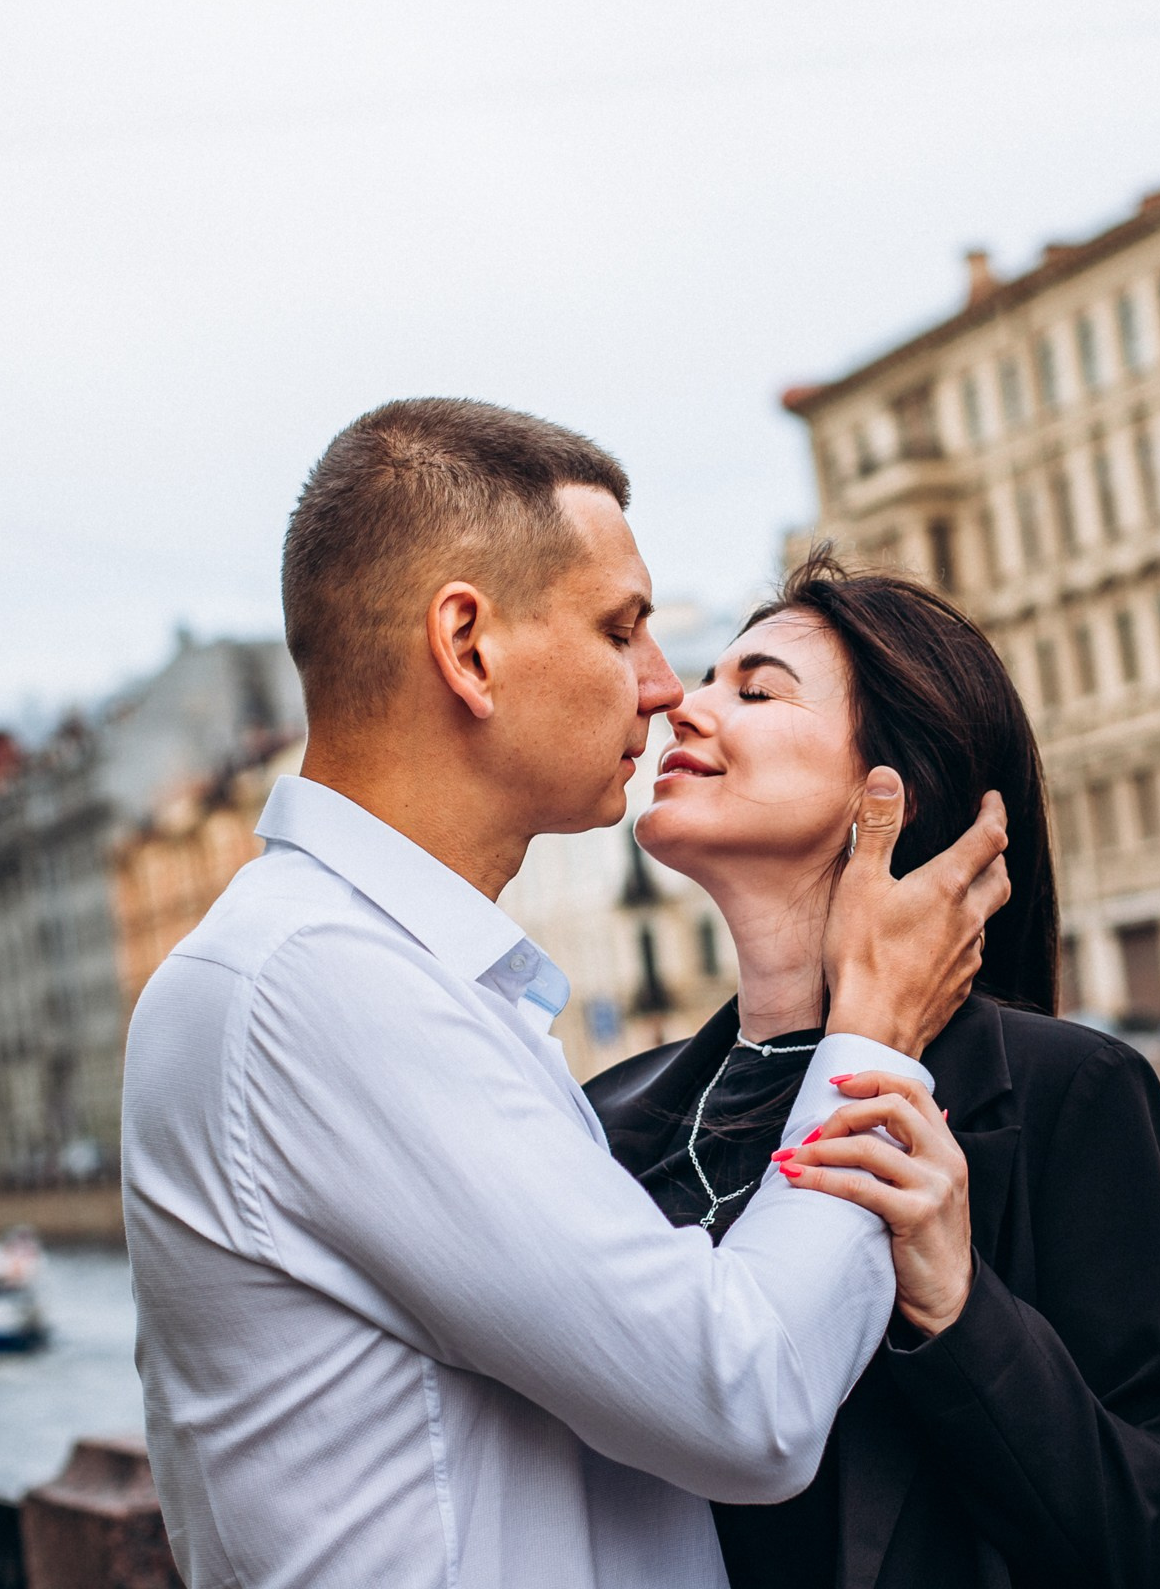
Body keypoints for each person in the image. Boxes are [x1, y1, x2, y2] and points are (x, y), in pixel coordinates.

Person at [121, 400, 1012, 1589]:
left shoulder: (361, 971)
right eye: (620, 628)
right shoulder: (318, 983)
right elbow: (745, 1399)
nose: (662, 687)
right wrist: (877, 1033)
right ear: (468, 647)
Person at [587, 554, 1160, 1589]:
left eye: (756, 692)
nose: (681, 708)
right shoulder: (604, 1119)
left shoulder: (1066, 1094)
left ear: (890, 792)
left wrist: (960, 1309)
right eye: (706, 682)